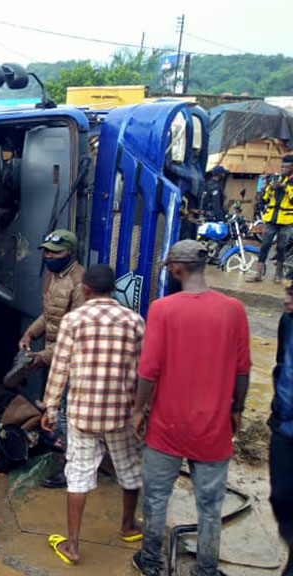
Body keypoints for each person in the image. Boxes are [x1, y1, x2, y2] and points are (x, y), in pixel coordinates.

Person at [132, 240, 251, 576]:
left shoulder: (162, 309)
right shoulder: (233, 309)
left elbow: (148, 370)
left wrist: (139, 410)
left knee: (156, 499)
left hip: (166, 427)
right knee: (211, 507)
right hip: (213, 431)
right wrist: (237, 409)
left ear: (176, 269)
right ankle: (206, 569)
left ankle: (151, 562)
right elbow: (243, 370)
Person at [42, 265, 145, 565]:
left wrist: (50, 407)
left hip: (82, 413)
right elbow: (144, 371)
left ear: (85, 289)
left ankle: (72, 546)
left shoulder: (74, 320)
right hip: (122, 413)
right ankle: (127, 526)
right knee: (129, 470)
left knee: (78, 477)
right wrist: (144, 411)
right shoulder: (134, 321)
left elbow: (60, 367)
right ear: (113, 289)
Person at [18, 229, 86, 489]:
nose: (48, 256)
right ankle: (53, 449)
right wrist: (30, 333)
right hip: (53, 354)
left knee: (67, 416)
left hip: (71, 360)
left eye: (55, 252)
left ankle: (70, 472)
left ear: (70, 252)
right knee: (51, 409)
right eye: (46, 251)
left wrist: (44, 356)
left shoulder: (79, 282)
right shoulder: (54, 275)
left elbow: (77, 331)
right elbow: (50, 314)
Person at [273, 283, 293, 576]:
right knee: (280, 498)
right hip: (284, 427)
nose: (286, 299)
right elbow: (280, 364)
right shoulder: (287, 321)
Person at [249, 155, 293, 283]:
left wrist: (286, 188)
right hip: (271, 220)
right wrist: (270, 189)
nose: (283, 169)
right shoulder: (275, 178)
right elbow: (264, 199)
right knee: (265, 246)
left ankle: (278, 276)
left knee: (281, 248)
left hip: (286, 221)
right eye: (282, 166)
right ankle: (258, 275)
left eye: (286, 167)